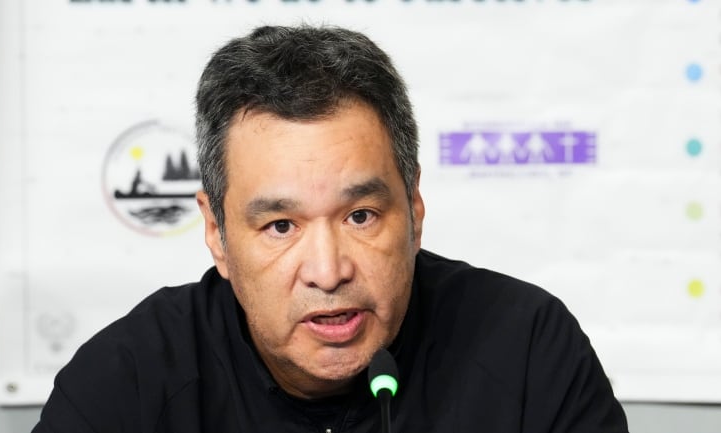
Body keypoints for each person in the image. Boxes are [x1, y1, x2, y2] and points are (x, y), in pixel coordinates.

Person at [33, 25, 628, 433]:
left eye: (360, 216)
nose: (327, 271)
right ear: (216, 231)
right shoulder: (128, 380)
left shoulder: (526, 349)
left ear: (415, 207)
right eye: (281, 225)